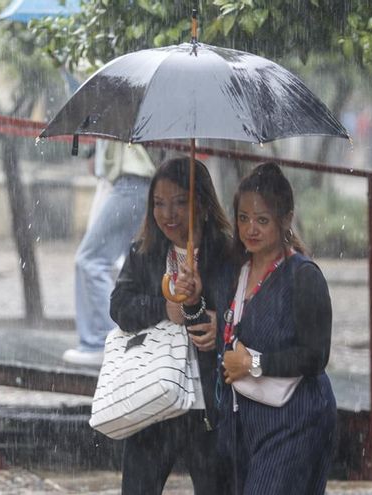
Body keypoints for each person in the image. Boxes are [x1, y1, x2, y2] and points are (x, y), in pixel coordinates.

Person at [109, 158, 234, 494]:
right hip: (153, 396)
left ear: (203, 205)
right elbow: (119, 306)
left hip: (209, 403)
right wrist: (162, 308)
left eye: (180, 202)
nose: (167, 214)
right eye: (158, 204)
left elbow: (247, 309)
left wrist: (219, 322)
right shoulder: (144, 252)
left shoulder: (228, 252)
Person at [217, 163, 336, 494]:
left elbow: (315, 356)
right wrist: (188, 299)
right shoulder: (234, 270)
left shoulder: (303, 276)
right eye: (243, 218)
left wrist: (254, 363)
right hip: (245, 421)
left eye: (262, 220)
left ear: (285, 219)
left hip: (296, 419)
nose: (250, 229)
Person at [63, 141, 156, 366]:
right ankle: (124, 342)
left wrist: (94, 152)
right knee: (130, 266)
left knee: (90, 260)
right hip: (136, 181)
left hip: (131, 180)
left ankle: (101, 341)